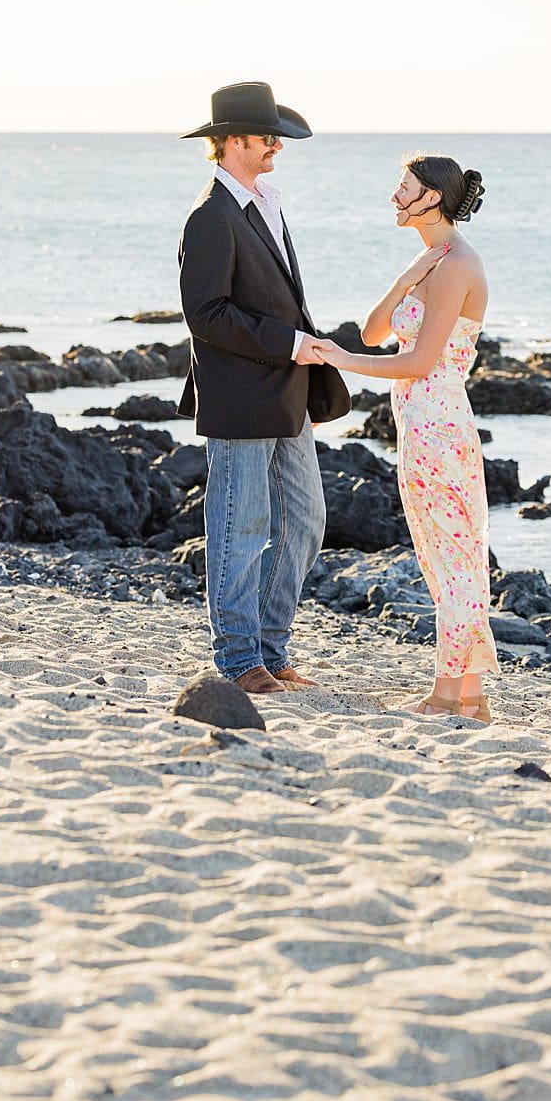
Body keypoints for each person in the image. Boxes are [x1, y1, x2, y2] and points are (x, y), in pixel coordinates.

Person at [177, 82, 350, 695]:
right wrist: (289, 343)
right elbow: (206, 314)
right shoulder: (211, 216)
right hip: (241, 397)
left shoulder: (264, 203)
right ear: (230, 142)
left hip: (291, 391)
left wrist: (314, 346)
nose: (276, 143)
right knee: (240, 527)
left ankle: (272, 652)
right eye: (265, 134)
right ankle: (237, 661)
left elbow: (282, 298)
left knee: (305, 521)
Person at [311, 154, 497, 721]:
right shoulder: (430, 261)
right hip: (419, 428)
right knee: (440, 555)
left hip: (440, 426)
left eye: (404, 188)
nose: (395, 197)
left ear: (431, 199)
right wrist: (402, 281)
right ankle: (471, 695)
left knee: (455, 556)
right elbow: (374, 331)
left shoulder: (460, 264)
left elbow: (418, 362)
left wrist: (341, 361)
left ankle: (449, 691)